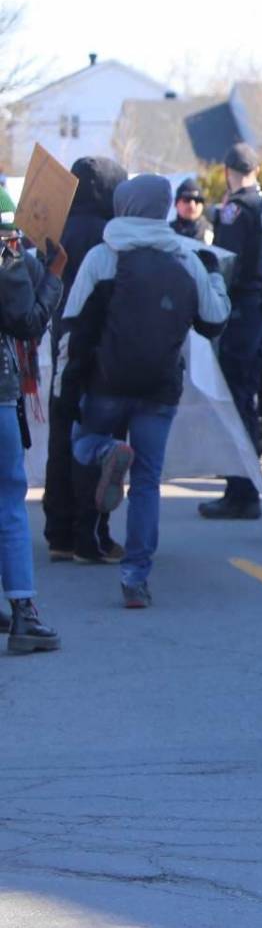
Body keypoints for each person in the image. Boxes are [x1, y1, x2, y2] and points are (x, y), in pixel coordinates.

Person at [60, 175, 232, 608]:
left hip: (106, 384)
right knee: (147, 484)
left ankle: (105, 453)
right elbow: (213, 320)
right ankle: (135, 578)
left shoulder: (104, 257)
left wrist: (69, 385)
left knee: (83, 443)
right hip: (160, 389)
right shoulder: (186, 259)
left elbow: (74, 326)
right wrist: (215, 277)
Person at [42, 155, 126, 563]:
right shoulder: (111, 233)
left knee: (62, 434)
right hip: (102, 348)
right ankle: (90, 534)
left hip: (61, 339)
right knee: (97, 438)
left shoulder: (55, 227)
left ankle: (58, 532)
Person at [199, 143, 262, 521]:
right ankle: (244, 486)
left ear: (227, 171)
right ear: (258, 170)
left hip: (240, 310)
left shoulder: (235, 209)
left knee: (236, 401)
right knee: (247, 398)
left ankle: (242, 489)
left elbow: (225, 264)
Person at [0, 196, 66, 651]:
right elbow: (27, 322)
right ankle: (24, 613)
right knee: (7, 504)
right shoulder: (7, 264)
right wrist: (54, 272)